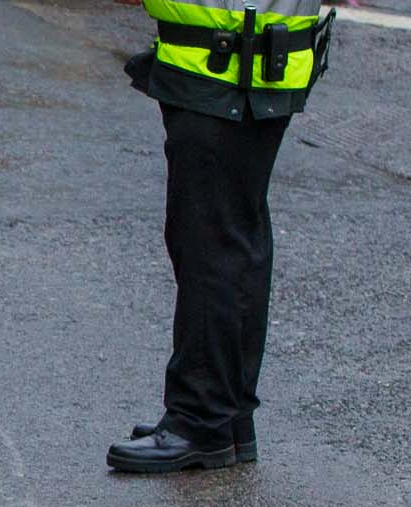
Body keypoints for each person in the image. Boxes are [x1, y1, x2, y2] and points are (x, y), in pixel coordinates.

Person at [107, 0, 334, 474]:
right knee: (232, 239)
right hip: (241, 59)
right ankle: (227, 419)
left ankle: (202, 421)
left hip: (229, 64)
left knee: (211, 245)